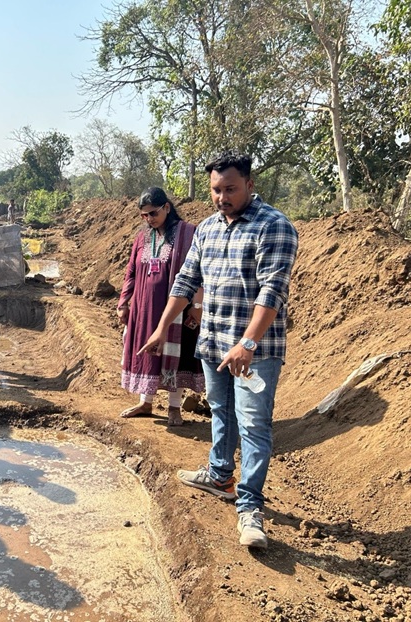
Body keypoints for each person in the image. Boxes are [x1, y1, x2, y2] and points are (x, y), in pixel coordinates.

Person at [139, 151, 298, 549]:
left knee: (254, 425)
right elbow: (185, 281)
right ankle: (219, 475)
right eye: (215, 190)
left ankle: (250, 508)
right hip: (213, 342)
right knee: (220, 410)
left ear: (250, 185)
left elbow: (273, 291)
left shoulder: (274, 226)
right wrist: (161, 329)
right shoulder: (208, 229)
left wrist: (248, 343)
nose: (222, 197)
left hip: (255, 352)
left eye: (230, 189)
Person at [117, 187, 204, 426]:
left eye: (153, 213)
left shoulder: (188, 233)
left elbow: (199, 271)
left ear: (167, 207)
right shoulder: (142, 237)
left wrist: (197, 305)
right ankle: (145, 403)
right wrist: (123, 302)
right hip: (145, 309)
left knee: (177, 354)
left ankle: (174, 407)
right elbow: (131, 271)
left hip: (178, 308)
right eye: (144, 215)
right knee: (148, 353)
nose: (149, 219)